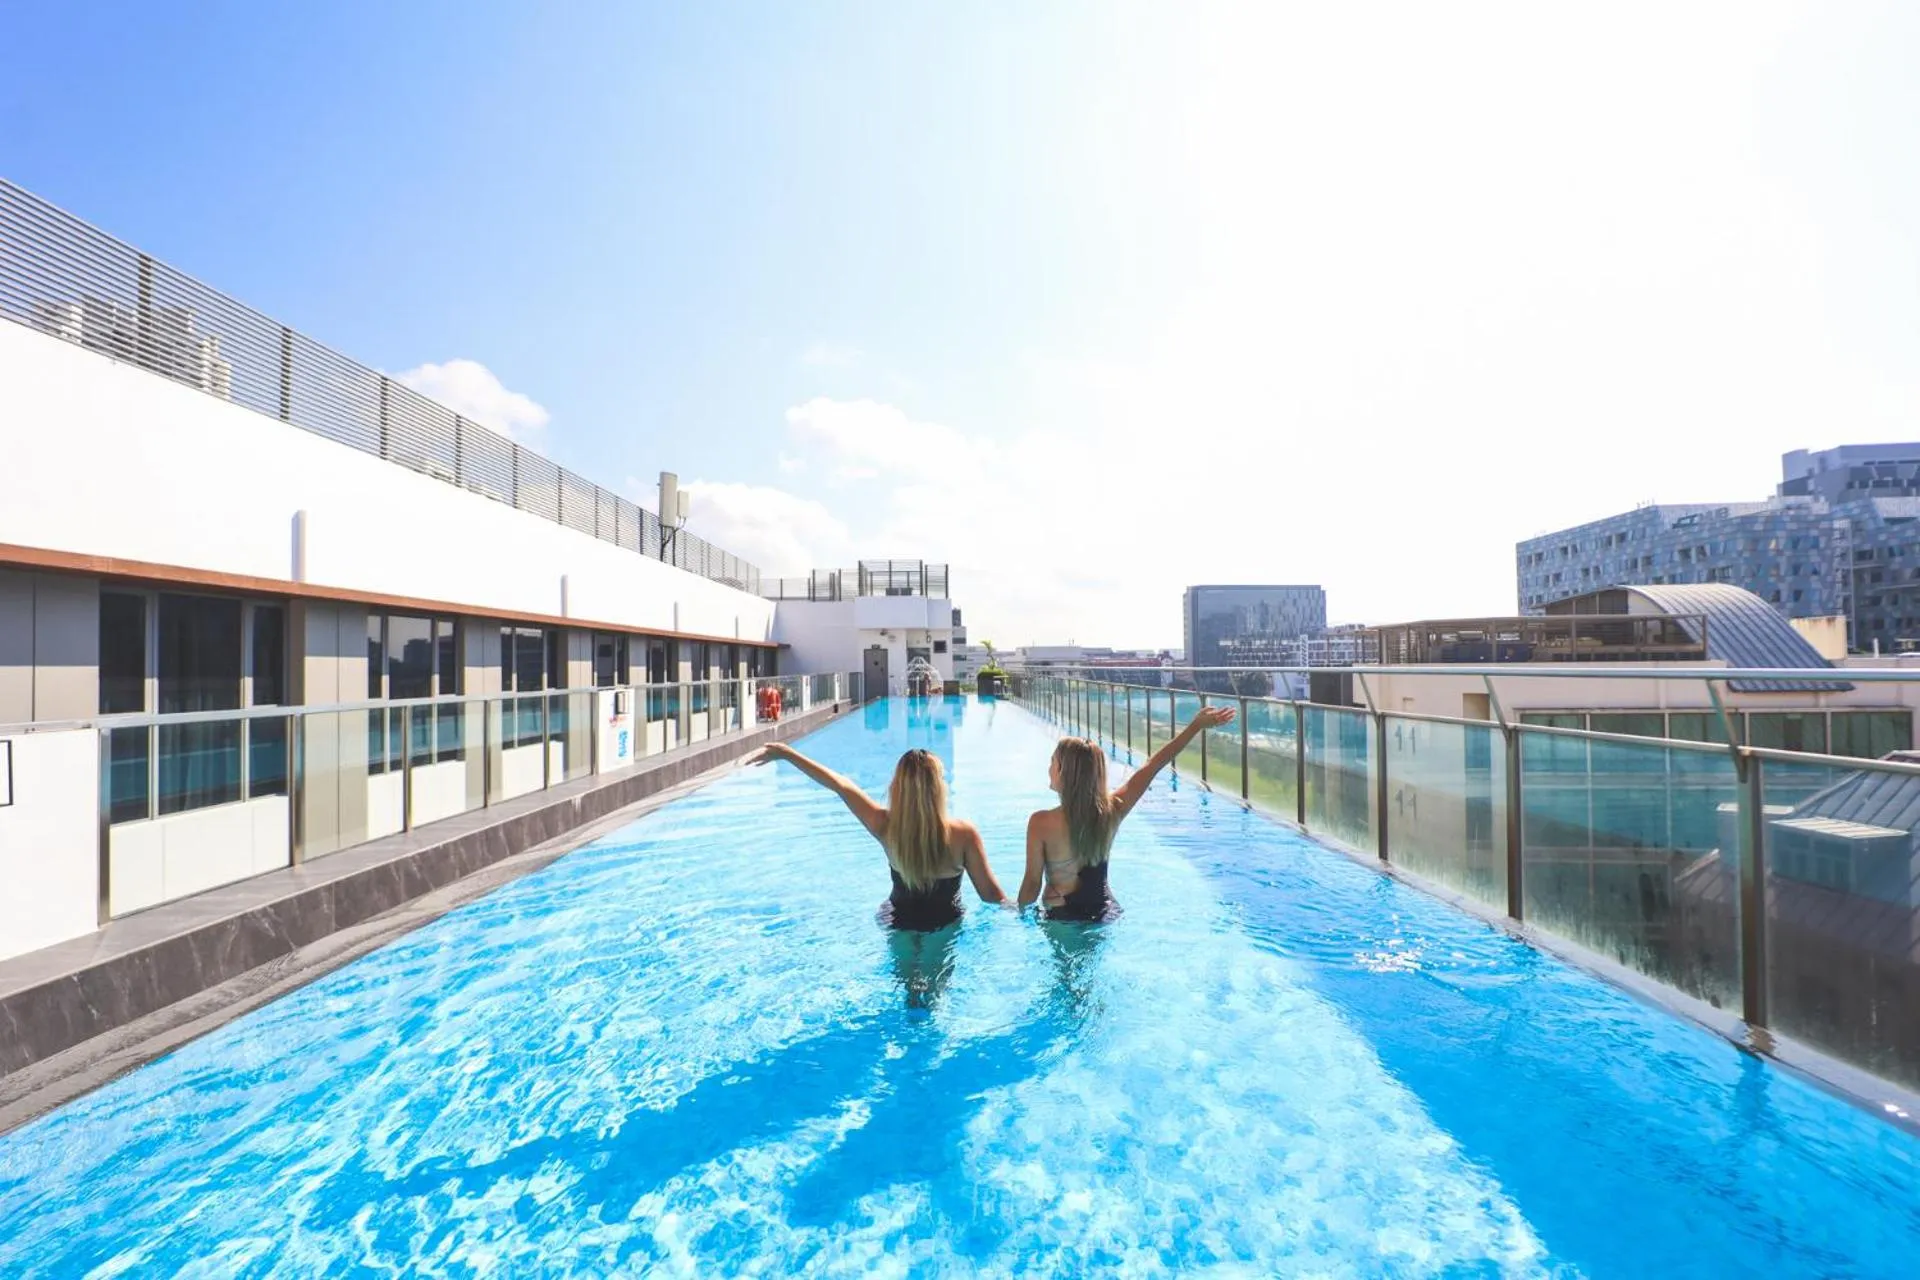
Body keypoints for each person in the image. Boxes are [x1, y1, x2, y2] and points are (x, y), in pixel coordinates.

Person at [746, 741, 1008, 930]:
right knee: (935, 994)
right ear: (938, 789)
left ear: (898, 788)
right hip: (945, 923)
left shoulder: (884, 824)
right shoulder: (963, 834)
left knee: (909, 994)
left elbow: (841, 784)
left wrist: (786, 754)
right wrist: (1023, 908)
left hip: (897, 919)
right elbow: (990, 896)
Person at [1020, 704, 1236, 921]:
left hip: (1063, 916)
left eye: (1052, 763)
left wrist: (1018, 913)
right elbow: (1153, 765)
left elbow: (1031, 884)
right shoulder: (1112, 810)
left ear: (1063, 773)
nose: (1048, 769)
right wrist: (1195, 726)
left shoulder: (1041, 823)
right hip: (1105, 913)